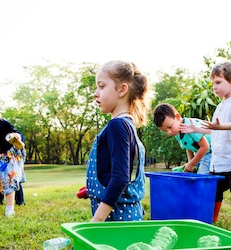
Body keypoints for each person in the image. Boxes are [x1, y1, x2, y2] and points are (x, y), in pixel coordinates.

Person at [181, 60, 231, 231]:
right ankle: (210, 217)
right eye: (213, 83)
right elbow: (214, 130)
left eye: (218, 82)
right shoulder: (220, 106)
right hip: (218, 161)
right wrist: (195, 129)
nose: (214, 87)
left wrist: (220, 126)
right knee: (213, 191)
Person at [86, 60, 149, 222]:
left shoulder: (117, 126)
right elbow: (116, 171)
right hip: (123, 215)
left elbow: (121, 178)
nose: (95, 93)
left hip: (118, 219)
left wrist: (97, 220)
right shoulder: (125, 125)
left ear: (122, 90)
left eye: (101, 86)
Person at [152, 103, 211, 174]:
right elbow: (189, 146)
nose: (169, 132)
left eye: (170, 127)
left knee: (201, 177)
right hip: (202, 154)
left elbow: (205, 147)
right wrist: (190, 162)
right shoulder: (177, 131)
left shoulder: (190, 126)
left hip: (212, 152)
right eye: (165, 131)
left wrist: (191, 164)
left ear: (177, 117)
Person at [0, 130, 25, 207]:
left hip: (12, 162)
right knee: (0, 179)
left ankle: (20, 201)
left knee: (15, 180)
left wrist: (18, 137)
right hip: (1, 160)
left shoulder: (11, 132)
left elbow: (21, 140)